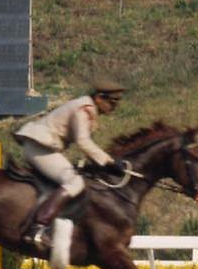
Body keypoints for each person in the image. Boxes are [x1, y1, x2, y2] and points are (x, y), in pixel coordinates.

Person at [13, 79, 125, 253]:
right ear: (99, 98)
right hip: (39, 147)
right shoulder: (83, 109)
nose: (114, 107)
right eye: (112, 102)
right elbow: (83, 142)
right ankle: (38, 227)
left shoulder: (87, 108)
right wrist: (108, 161)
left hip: (44, 146)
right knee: (75, 183)